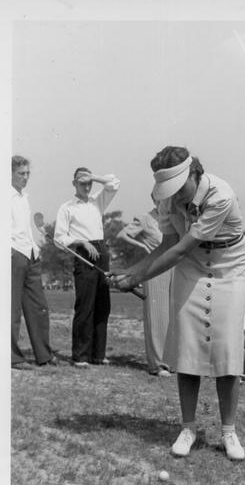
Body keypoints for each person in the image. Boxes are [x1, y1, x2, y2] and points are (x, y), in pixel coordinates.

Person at [114, 146, 245, 461]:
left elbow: (179, 251)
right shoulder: (166, 199)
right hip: (192, 267)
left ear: (195, 173)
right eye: (168, 192)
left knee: (227, 348)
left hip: (230, 267)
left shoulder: (221, 195)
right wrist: (129, 272)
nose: (174, 198)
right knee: (187, 347)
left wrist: (135, 279)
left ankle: (229, 431)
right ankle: (188, 428)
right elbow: (167, 244)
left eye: (178, 189)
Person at [54, 168, 120, 368]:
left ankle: (98, 354)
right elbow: (59, 239)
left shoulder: (97, 201)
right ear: (74, 183)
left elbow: (114, 182)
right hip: (83, 253)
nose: (87, 186)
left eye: (89, 182)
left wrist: (94, 177)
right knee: (85, 305)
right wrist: (81, 241)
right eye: (82, 182)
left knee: (103, 304)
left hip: (101, 251)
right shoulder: (67, 208)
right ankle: (81, 355)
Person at [116, 205, 172, 377]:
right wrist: (141, 245)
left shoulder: (173, 217)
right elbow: (122, 234)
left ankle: (172, 362)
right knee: (157, 316)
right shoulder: (146, 218)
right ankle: (157, 364)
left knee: (172, 316)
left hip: (174, 267)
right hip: (153, 269)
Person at [11, 155, 55, 369]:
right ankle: (13, 357)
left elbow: (26, 228)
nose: (26, 177)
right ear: (9, 173)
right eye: (21, 173)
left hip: (30, 254)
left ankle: (44, 355)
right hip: (13, 254)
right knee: (11, 309)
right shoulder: (2, 196)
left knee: (39, 307)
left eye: (28, 173)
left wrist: (35, 248)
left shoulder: (24, 196)